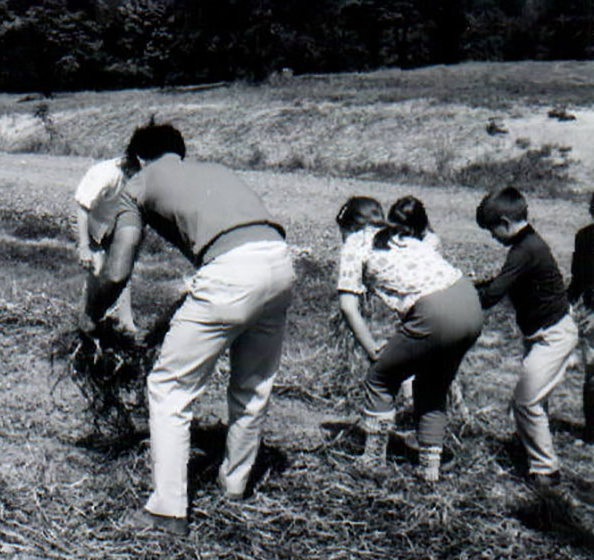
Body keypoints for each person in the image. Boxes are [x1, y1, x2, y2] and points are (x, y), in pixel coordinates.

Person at [80, 121, 295, 535]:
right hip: (279, 264)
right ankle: (234, 488)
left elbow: (118, 270)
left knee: (169, 386)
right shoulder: (216, 171)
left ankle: (167, 511)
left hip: (232, 273)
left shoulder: (139, 183)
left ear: (137, 159)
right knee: (252, 387)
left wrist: (91, 312)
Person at [336, 195, 482, 482]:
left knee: (381, 377)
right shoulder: (402, 235)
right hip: (469, 303)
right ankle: (429, 469)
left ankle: (373, 460)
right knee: (432, 385)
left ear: (349, 227)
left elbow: (348, 306)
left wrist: (371, 350)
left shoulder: (354, 243)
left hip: (434, 311)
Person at [475, 186, 578, 486]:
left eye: (492, 230)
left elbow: (493, 293)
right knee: (535, 399)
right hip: (541, 333)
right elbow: (499, 282)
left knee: (526, 401)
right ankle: (530, 450)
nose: (492, 237)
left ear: (506, 222)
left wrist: (461, 294)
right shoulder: (525, 246)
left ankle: (547, 470)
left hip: (554, 336)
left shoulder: (525, 250)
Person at [74, 153, 139, 333]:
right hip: (88, 221)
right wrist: (84, 247)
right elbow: (82, 208)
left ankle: (125, 321)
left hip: (112, 223)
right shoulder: (107, 174)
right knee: (96, 268)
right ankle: (87, 322)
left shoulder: (139, 177)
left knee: (122, 269)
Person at [567, 191, 594, 443]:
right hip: (590, 314)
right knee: (592, 374)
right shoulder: (585, 238)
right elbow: (578, 280)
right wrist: (563, 306)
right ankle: (591, 430)